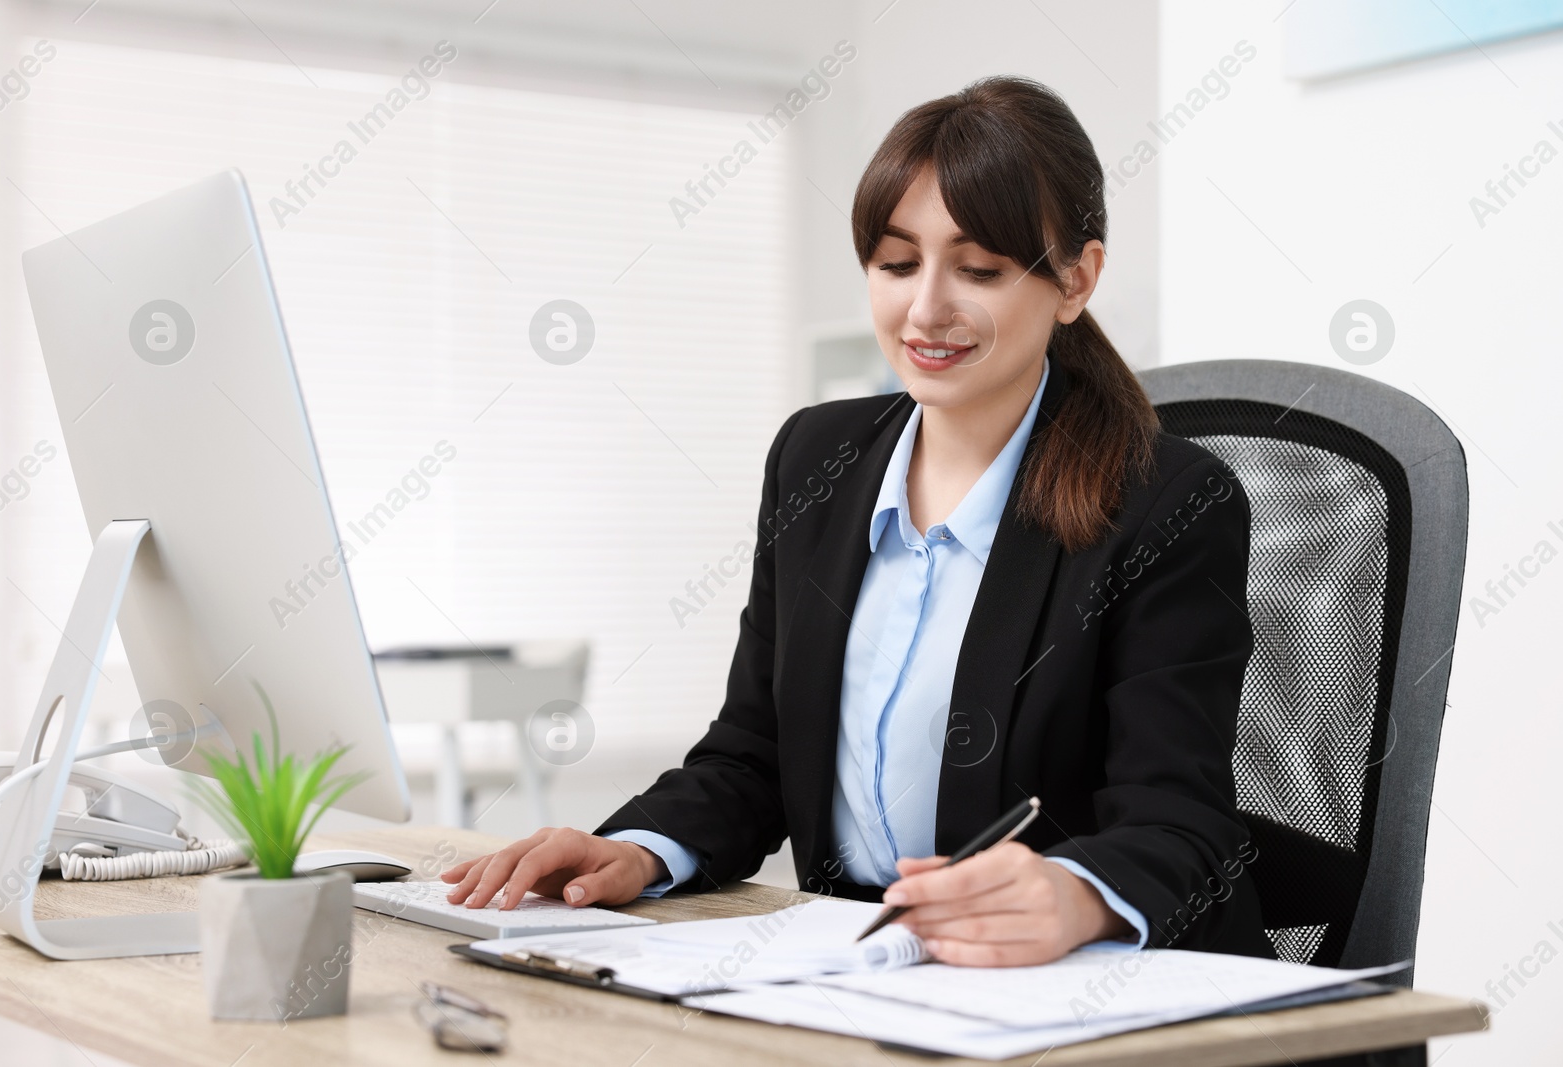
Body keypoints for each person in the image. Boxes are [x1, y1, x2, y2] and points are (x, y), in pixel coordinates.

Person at [444, 75, 1272, 965]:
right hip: (860, 969)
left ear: (1076, 279)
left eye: (981, 269)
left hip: (1072, 996)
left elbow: (1179, 825)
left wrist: (1075, 895)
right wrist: (641, 849)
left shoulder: (1165, 501)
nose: (925, 310)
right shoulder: (817, 460)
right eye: (897, 263)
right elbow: (753, 755)